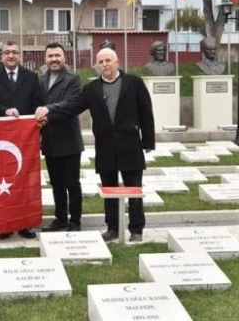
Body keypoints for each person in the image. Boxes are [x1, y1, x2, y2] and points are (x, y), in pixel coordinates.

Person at [35, 48, 155, 243]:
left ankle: (136, 229)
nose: (105, 64)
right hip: (105, 146)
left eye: (108, 60)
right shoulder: (91, 89)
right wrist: (48, 112)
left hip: (130, 145)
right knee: (109, 189)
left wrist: (148, 141)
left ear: (117, 62)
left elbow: (146, 113)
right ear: (97, 65)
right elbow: (71, 108)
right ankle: (113, 227)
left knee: (134, 188)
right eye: (101, 61)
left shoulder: (134, 83)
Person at [0, 40, 44, 240]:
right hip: (1, 139)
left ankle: (25, 224)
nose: (11, 56)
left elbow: (37, 103)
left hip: (25, 139)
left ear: (20, 56)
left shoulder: (31, 77)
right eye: (7, 52)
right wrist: (5, 111)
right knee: (2, 182)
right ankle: (5, 224)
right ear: (1, 56)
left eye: (15, 52)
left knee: (24, 180)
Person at [38, 43, 84, 232]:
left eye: (57, 55)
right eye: (50, 56)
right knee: (56, 183)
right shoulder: (40, 80)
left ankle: (75, 221)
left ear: (64, 58)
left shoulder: (73, 79)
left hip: (69, 140)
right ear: (45, 59)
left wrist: (47, 111)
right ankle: (61, 219)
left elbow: (71, 105)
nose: (54, 59)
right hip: (49, 140)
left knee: (72, 183)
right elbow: (36, 104)